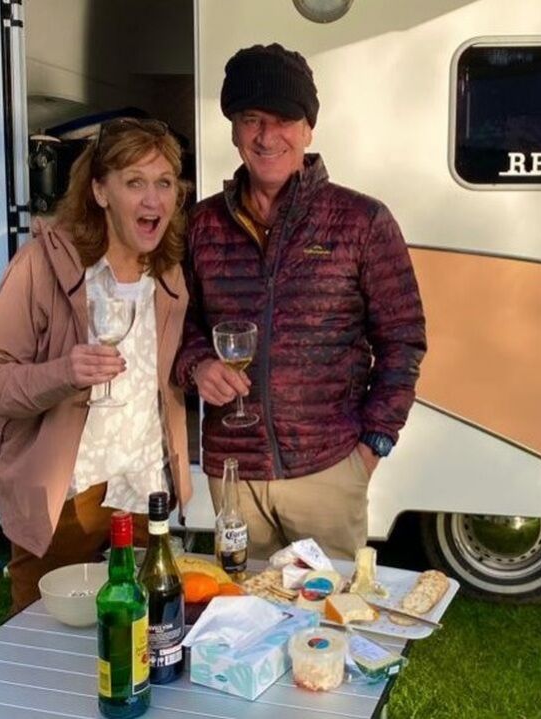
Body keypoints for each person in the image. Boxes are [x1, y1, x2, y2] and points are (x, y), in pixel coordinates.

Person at [174, 44, 427, 561]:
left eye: (284, 119)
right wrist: (196, 365)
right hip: (234, 475)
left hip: (328, 470)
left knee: (329, 609)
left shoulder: (362, 221)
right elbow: (176, 324)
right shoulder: (200, 225)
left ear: (309, 128)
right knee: (241, 607)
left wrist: (372, 446)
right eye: (252, 119)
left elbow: (403, 341)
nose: (267, 137)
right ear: (233, 130)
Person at [0, 118, 194, 613]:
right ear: (99, 191)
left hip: (144, 488)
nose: (153, 200)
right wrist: (64, 373)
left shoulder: (168, 272)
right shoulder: (41, 265)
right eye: (134, 182)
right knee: (46, 640)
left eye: (164, 183)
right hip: (65, 496)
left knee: (141, 633)